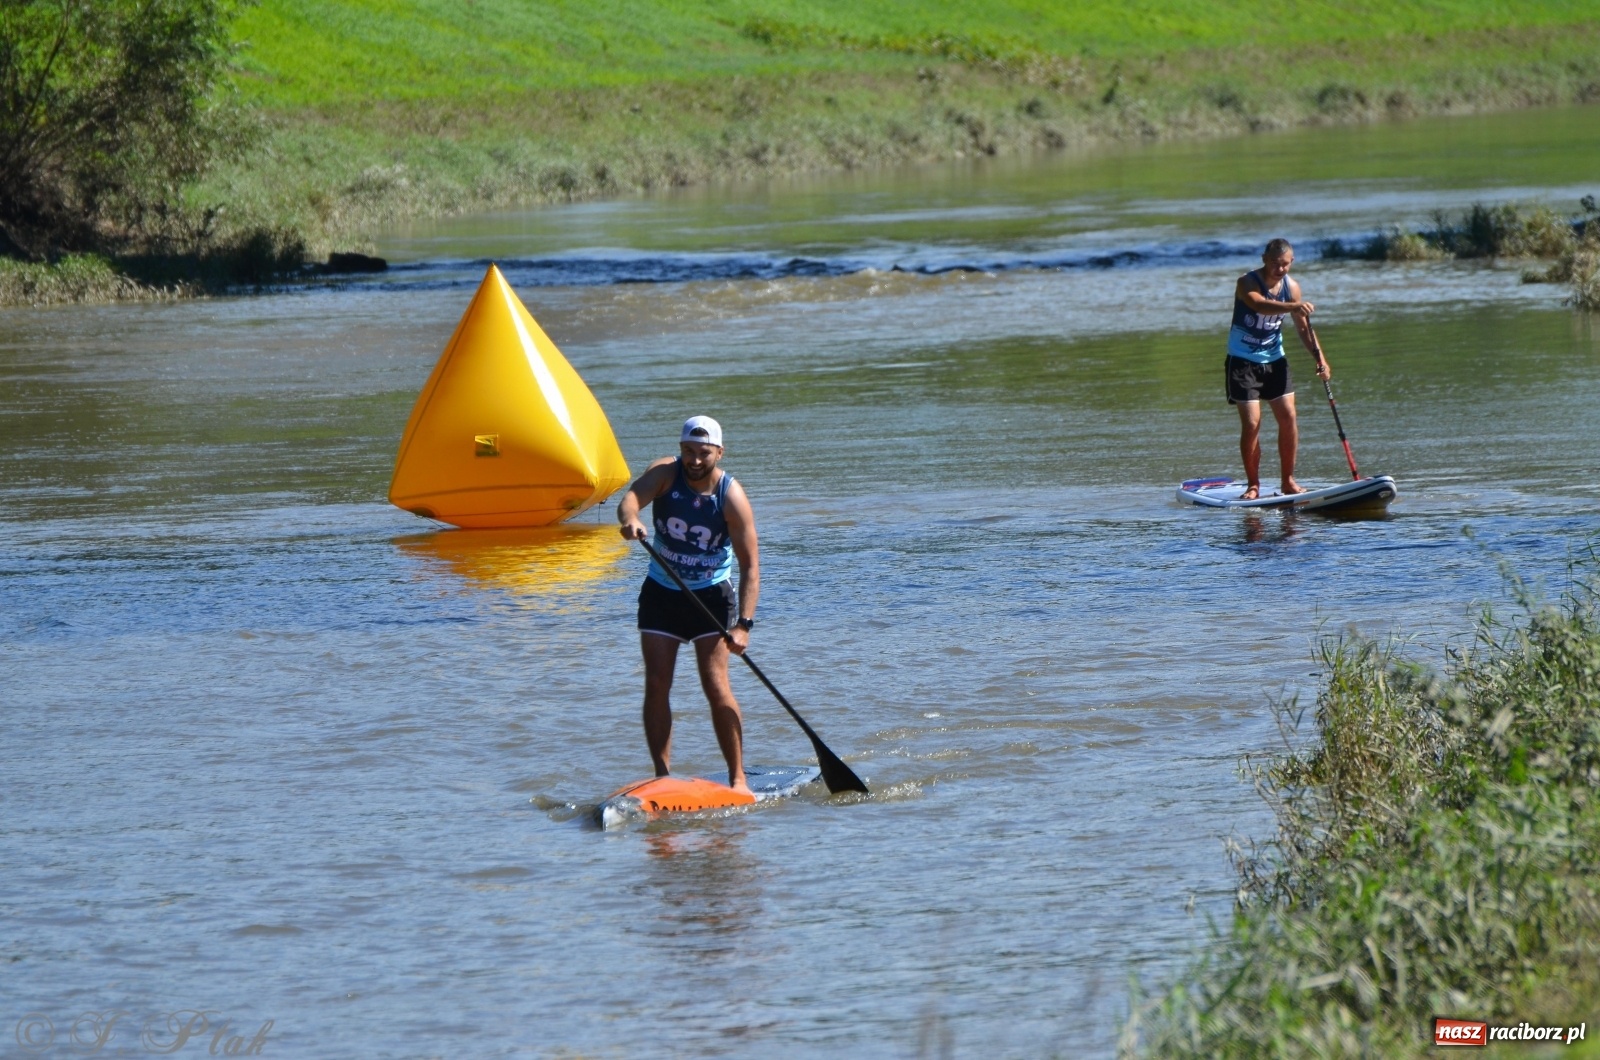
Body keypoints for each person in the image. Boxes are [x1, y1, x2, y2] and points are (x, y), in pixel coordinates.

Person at [616, 415, 759, 794]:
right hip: (662, 592)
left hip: (711, 597)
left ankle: (738, 780)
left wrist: (743, 624)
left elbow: (750, 566)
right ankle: (662, 778)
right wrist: (631, 520)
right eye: (688, 452)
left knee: (715, 685)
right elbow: (630, 499)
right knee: (657, 683)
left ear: (719, 452)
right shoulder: (664, 474)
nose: (695, 461)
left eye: (704, 454)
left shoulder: (731, 496)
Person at [1225, 238, 1332, 499]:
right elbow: (1259, 305)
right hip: (1243, 361)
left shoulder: (1291, 287)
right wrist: (1294, 306)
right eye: (1275, 264)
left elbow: (1304, 328)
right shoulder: (1247, 282)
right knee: (1252, 424)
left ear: (1291, 262)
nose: (1280, 269)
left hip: (1275, 360)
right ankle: (1253, 485)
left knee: (1289, 418)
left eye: (1285, 265)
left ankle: (1288, 481)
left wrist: (1320, 359)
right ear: (1264, 259)